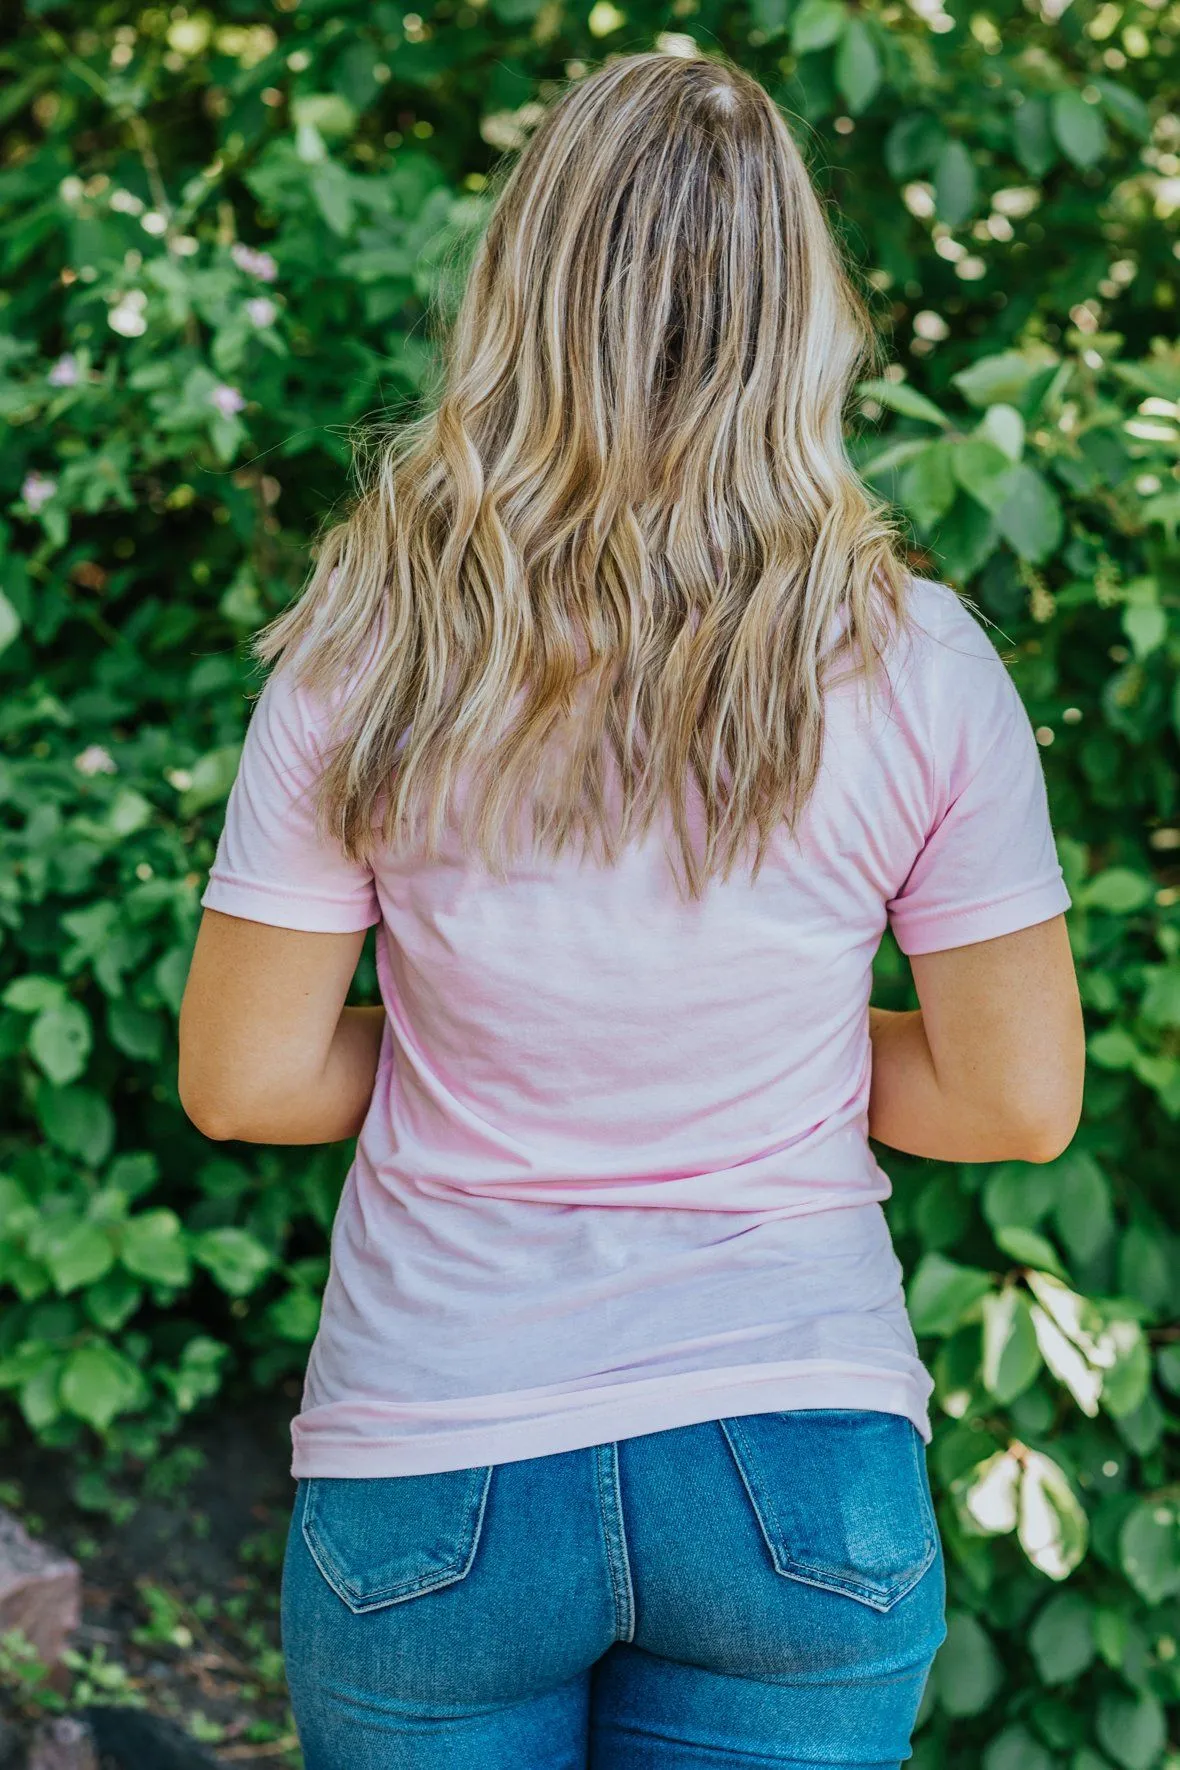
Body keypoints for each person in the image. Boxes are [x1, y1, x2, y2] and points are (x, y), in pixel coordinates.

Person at [177, 48, 1085, 1770]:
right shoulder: (920, 660)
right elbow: (1015, 1099)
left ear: (519, 294)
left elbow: (244, 1078)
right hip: (797, 1463)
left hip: (436, 1461)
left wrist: (492, 1037)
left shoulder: (370, 645)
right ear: (803, 313)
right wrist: (748, 1046)